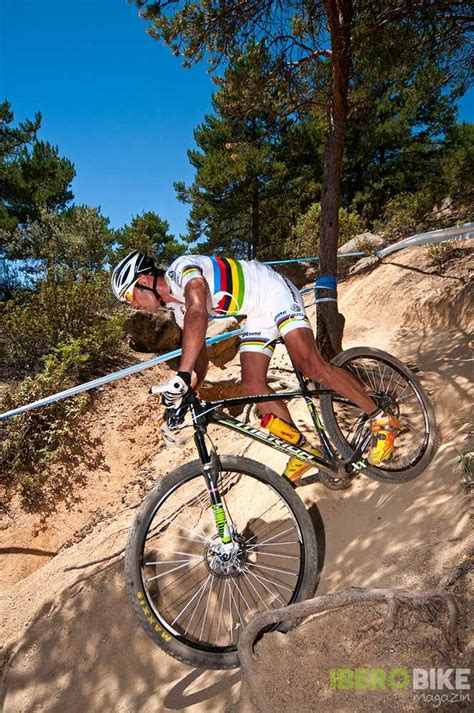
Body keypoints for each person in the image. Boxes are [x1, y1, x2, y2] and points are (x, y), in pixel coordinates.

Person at [111, 251, 400, 479]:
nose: (132, 305)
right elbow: (198, 358)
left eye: (128, 296)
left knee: (310, 364)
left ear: (146, 280)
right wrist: (181, 397)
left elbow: (199, 311)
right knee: (252, 384)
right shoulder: (177, 309)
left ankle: (381, 417)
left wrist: (183, 374)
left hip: (273, 292)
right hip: (255, 314)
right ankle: (301, 451)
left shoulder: (181, 269)